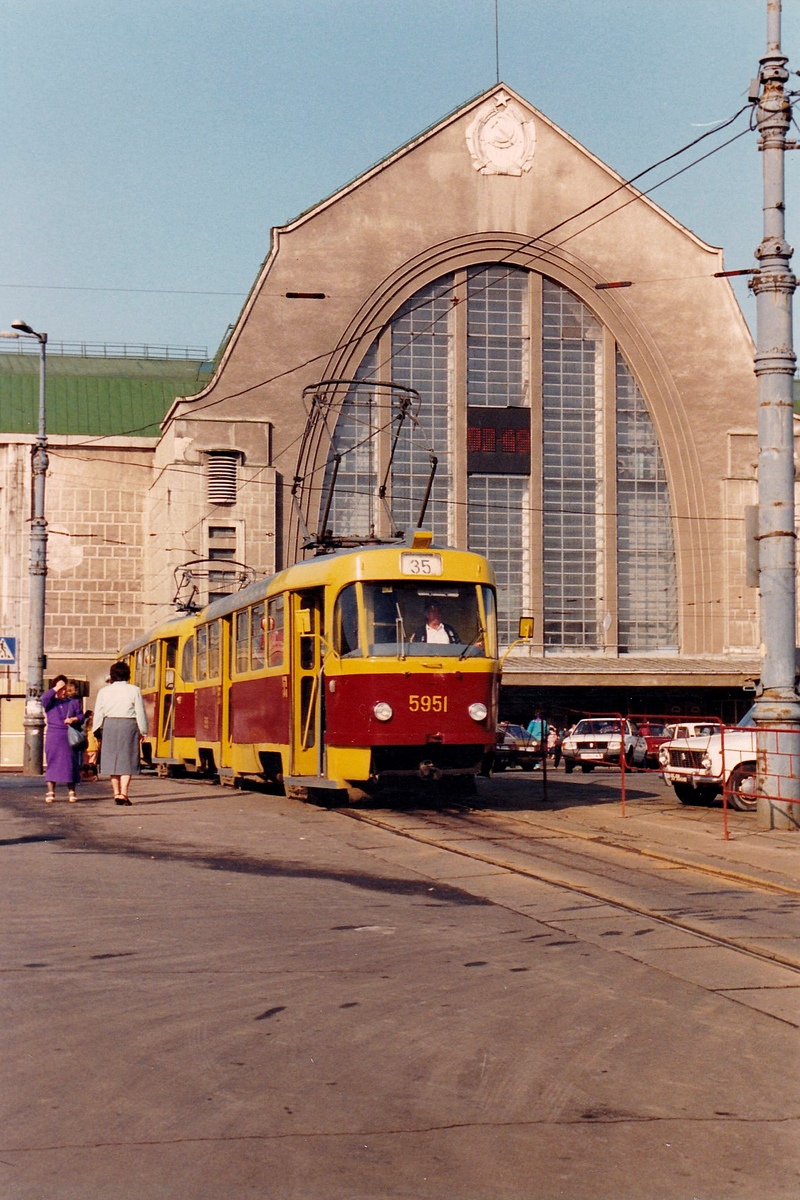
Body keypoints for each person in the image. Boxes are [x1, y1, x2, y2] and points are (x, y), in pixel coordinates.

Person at [92, 661, 148, 806]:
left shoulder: (104, 691)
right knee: (127, 759)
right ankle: (124, 793)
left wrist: (95, 728)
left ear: (112, 675)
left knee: (113, 760)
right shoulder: (134, 690)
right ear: (128, 675)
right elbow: (140, 712)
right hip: (128, 725)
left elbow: (99, 711)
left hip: (109, 725)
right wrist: (143, 730)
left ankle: (116, 793)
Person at [41, 675, 85, 803]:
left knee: (70, 763)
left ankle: (71, 791)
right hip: (53, 736)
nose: (63, 691)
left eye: (65, 688)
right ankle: (51, 791)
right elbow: (44, 698)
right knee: (52, 762)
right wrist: (55, 688)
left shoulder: (73, 702)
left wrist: (73, 719)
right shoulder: (50, 702)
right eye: (61, 688)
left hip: (68, 735)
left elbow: (81, 716)